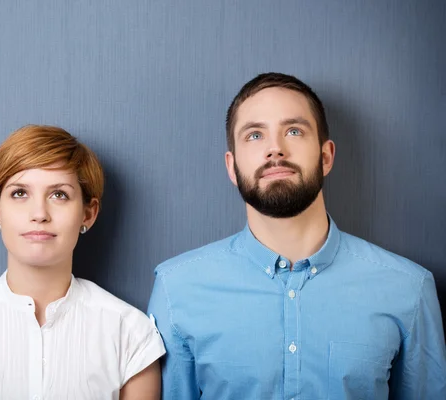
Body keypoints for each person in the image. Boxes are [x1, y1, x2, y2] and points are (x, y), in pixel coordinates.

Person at [147, 73, 446, 399]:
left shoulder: (408, 290)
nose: (275, 148)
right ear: (232, 168)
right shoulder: (177, 289)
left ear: (326, 156)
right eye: (254, 135)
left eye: (294, 131)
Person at [0, 125, 165, 400]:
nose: (39, 213)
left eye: (59, 194)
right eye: (19, 193)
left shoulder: (130, 333)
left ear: (88, 213)